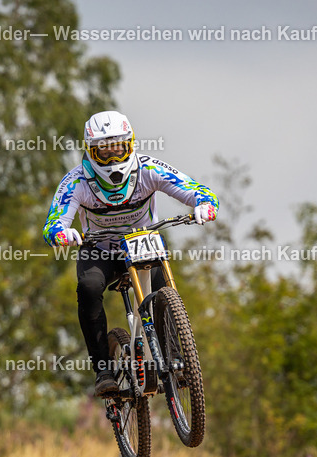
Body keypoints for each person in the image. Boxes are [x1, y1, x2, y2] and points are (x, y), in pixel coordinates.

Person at [42, 111, 219, 396]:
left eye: (119, 148)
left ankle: (176, 355)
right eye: (104, 151)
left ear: (131, 144)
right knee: (88, 288)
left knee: (165, 292)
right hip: (99, 249)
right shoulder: (76, 182)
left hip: (143, 243)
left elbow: (196, 189)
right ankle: (103, 370)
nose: (113, 159)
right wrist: (61, 233)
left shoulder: (149, 169)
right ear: (90, 151)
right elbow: (54, 221)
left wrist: (204, 204)